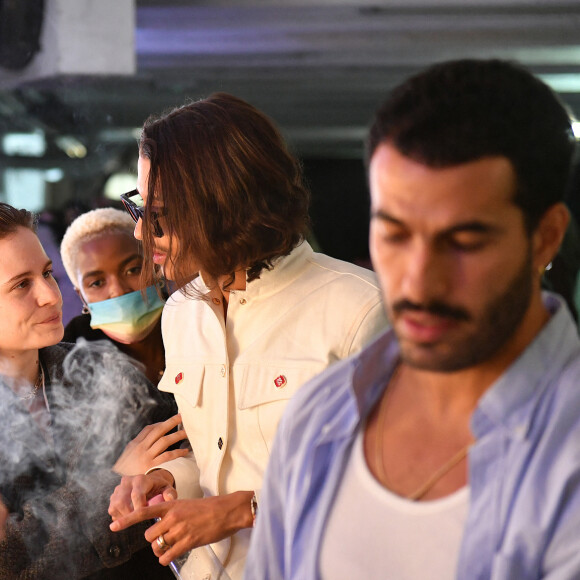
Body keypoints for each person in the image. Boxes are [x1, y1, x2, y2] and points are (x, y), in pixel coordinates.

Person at [244, 59, 580, 579]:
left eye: (465, 242)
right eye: (395, 235)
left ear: (546, 237)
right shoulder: (322, 414)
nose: (420, 281)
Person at [107, 92, 388, 579]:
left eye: (162, 214)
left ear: (224, 204)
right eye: (140, 208)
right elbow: (215, 456)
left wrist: (242, 511)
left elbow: (400, 485)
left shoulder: (360, 309)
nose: (141, 234)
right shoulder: (181, 312)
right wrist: (165, 480)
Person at [0, 202, 179, 579]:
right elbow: (10, 558)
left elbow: (185, 457)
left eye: (47, 274)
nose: (50, 295)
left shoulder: (105, 371)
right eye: (21, 285)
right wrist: (116, 480)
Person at [61, 207, 167, 386]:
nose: (118, 290)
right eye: (97, 283)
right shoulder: (68, 359)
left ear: (155, 268)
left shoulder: (195, 320)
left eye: (133, 270)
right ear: (82, 297)